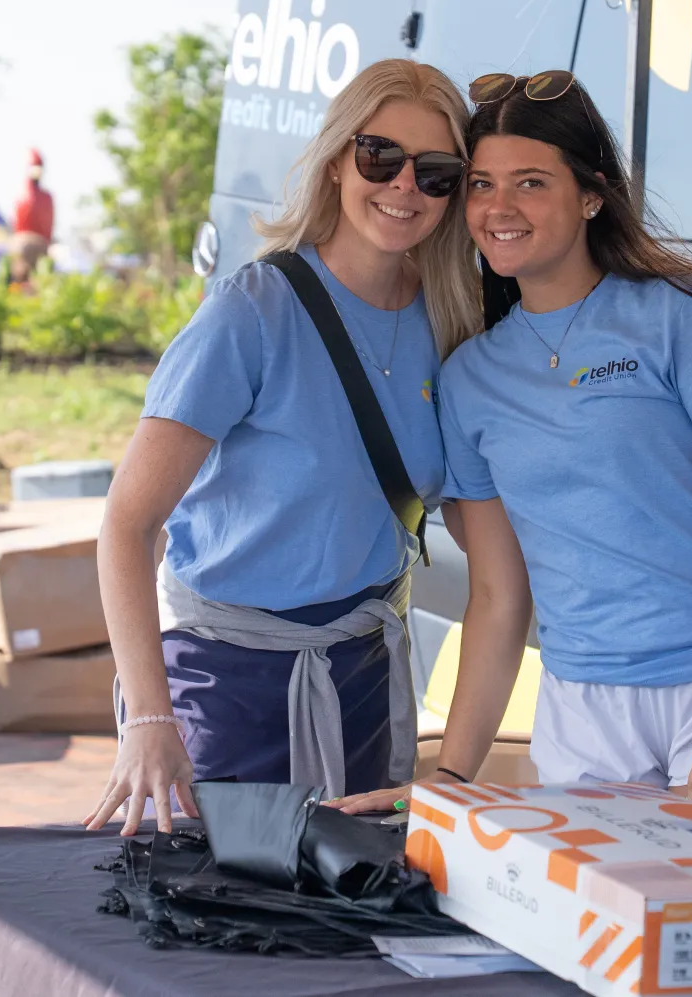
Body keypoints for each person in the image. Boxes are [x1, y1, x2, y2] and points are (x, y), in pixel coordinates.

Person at [335, 72, 692, 842]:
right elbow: (502, 597)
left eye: (531, 183)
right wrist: (454, 780)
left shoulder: (687, 317)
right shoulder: (469, 377)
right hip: (584, 708)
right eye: (481, 185)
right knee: (598, 960)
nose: (499, 209)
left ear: (593, 194)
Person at [84, 59, 481, 837]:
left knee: (348, 936)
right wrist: (148, 720)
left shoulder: (452, 326)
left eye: (435, 173)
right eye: (380, 157)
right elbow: (126, 527)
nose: (405, 187)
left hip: (364, 683)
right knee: (219, 936)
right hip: (225, 690)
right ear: (337, 161)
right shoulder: (252, 314)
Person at [9, 149, 55, 285]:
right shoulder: (21, 196)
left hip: (39, 243)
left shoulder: (46, 197)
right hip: (23, 241)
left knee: (37, 280)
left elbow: (48, 223)